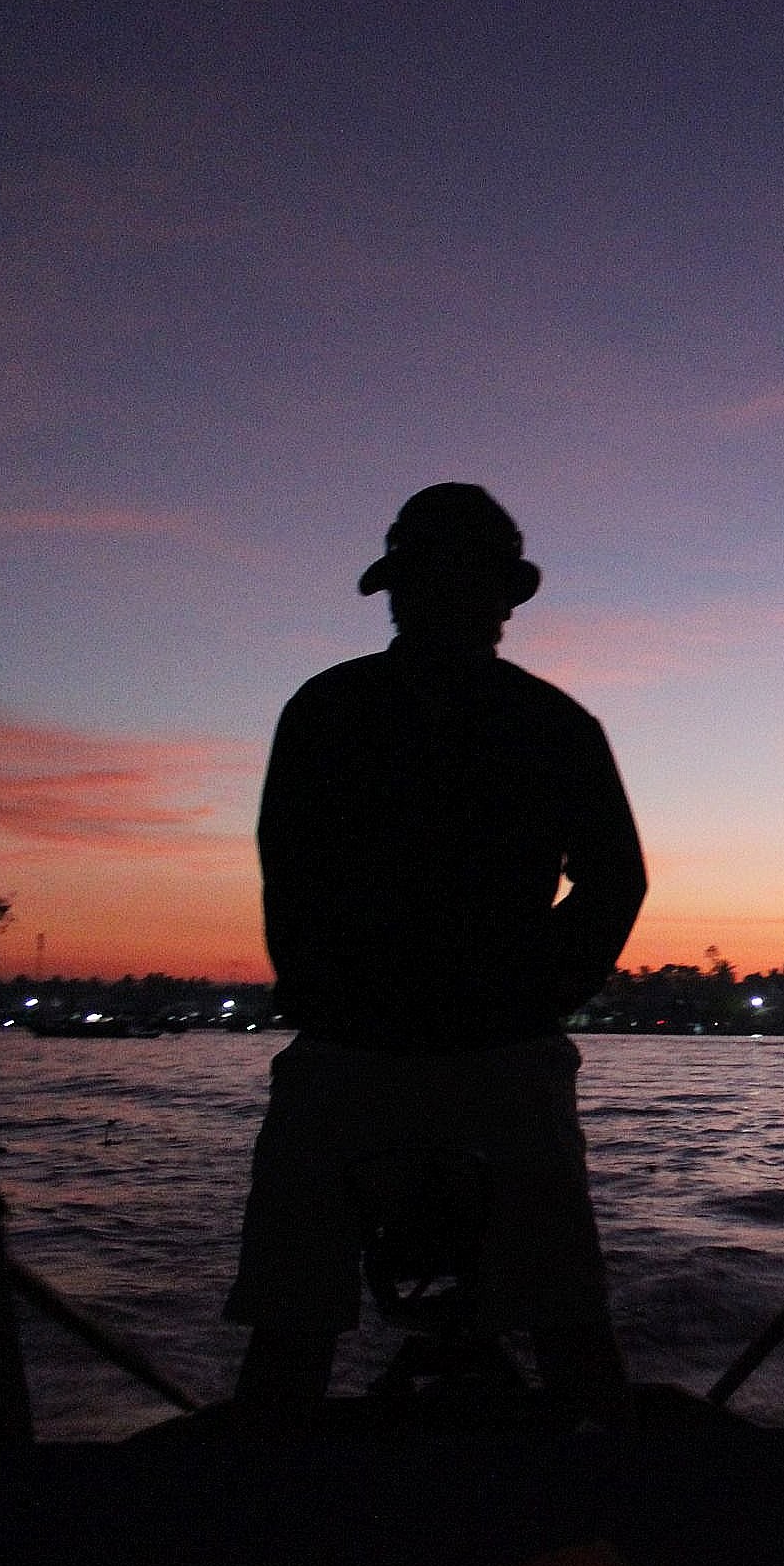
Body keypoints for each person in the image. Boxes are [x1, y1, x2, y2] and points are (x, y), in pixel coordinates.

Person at [226, 483, 647, 1419]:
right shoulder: (338, 711)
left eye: (487, 588)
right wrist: (340, 1001)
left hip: (466, 1047)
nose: (483, 608)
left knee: (562, 1309)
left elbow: (615, 882)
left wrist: (529, 999)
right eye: (462, 584)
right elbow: (288, 877)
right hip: (375, 1045)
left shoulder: (534, 724)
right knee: (297, 1317)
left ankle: (261, 1485)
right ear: (407, 593)